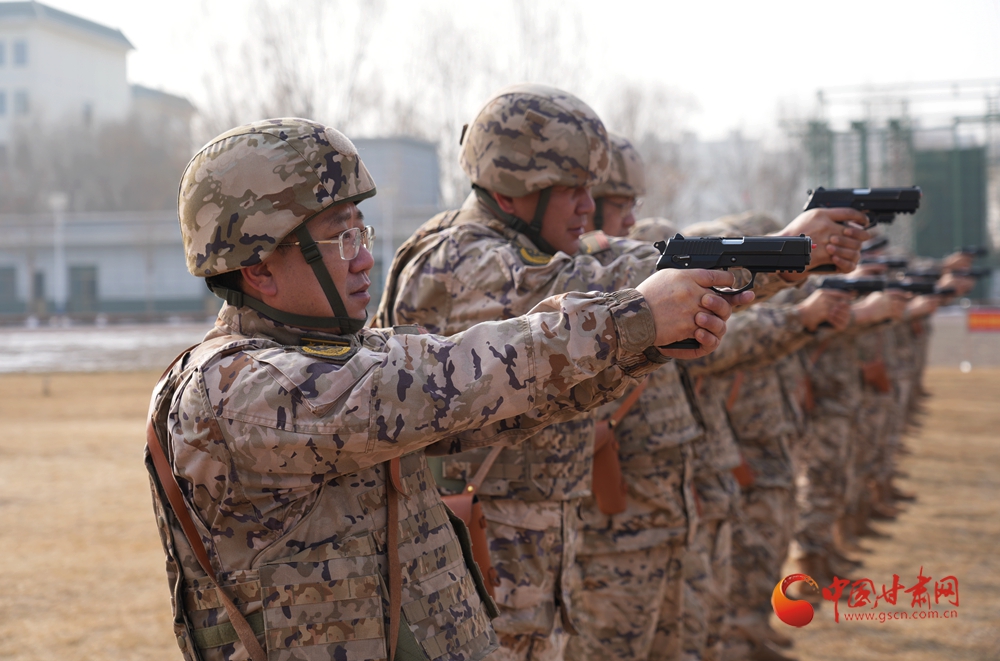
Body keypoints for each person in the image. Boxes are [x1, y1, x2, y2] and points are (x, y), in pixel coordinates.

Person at [144, 117, 745, 661]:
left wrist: (640, 348)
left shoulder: (344, 354)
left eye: (363, 232)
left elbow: (491, 412)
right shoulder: (233, 389)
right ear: (257, 269)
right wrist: (630, 318)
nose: (363, 261)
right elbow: (444, 380)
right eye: (340, 239)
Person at [377, 83, 868, 661]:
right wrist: (781, 249)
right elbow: (605, 286)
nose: (588, 205)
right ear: (514, 191)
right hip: (487, 565)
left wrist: (779, 254)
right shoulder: (468, 259)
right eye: (571, 190)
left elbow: (609, 270)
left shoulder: (496, 249)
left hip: (518, 555)